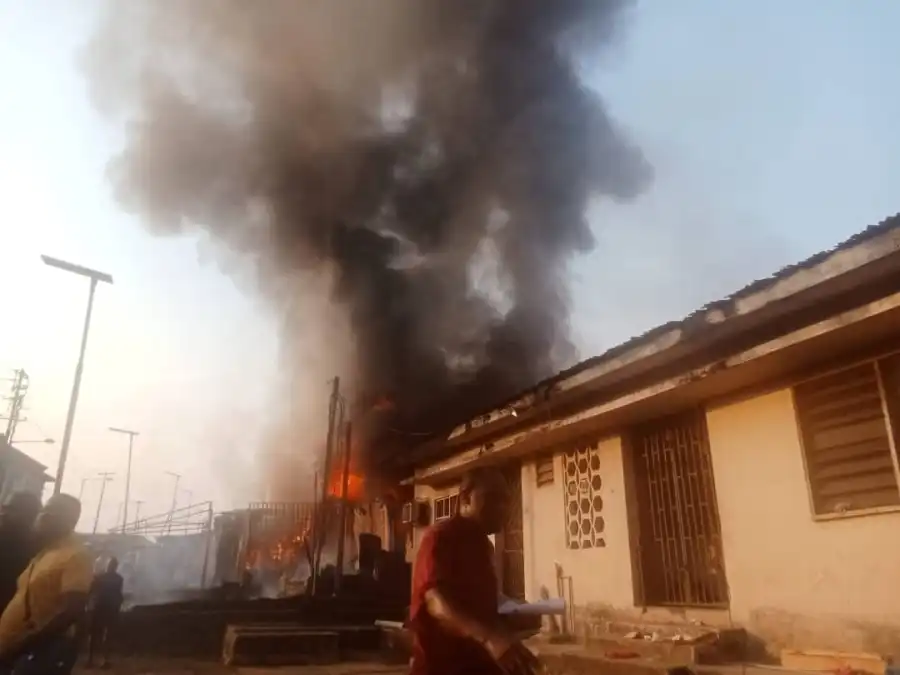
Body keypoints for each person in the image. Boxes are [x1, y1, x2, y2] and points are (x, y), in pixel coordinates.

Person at [409, 467, 540, 675]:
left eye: (505, 500)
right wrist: (490, 638)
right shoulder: (441, 537)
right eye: (492, 498)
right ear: (465, 498)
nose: (502, 507)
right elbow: (436, 603)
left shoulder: (484, 546)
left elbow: (482, 601)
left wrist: (517, 613)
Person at [0, 494, 92, 675]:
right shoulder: (45, 553)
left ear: (68, 521)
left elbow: (72, 611)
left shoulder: (76, 555)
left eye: (49, 513)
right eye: (43, 511)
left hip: (33, 656)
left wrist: (24, 645)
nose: (41, 517)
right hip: (13, 651)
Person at [0, 493, 41, 614]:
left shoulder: (38, 546)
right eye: (4, 508)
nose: (3, 513)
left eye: (12, 509)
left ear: (29, 515)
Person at [85, 556, 123, 669]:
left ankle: (91, 660)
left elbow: (91, 591)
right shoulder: (119, 579)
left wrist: (89, 604)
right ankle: (105, 660)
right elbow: (119, 594)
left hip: (100, 608)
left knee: (95, 634)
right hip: (111, 609)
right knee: (108, 635)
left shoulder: (100, 578)